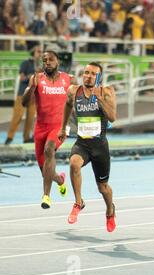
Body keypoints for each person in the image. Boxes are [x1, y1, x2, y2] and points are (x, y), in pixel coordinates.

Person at [58, 62, 117, 232]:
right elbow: (68, 105)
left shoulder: (107, 92)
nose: (88, 76)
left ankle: (110, 210)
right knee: (74, 164)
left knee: (103, 188)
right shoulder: (73, 91)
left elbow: (112, 117)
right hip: (82, 143)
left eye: (93, 74)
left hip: (100, 147)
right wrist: (63, 128)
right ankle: (78, 202)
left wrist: (99, 100)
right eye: (86, 72)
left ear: (99, 77)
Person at [22, 50, 76, 209]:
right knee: (45, 170)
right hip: (41, 127)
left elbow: (79, 100)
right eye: (44, 60)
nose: (47, 63)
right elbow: (24, 103)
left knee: (49, 149)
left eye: (50, 60)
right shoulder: (37, 79)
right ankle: (60, 180)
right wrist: (32, 87)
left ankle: (46, 196)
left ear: (57, 61)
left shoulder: (69, 79)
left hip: (60, 127)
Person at [4, 46, 42, 145]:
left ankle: (26, 137)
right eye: (38, 51)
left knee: (30, 118)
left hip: (33, 95)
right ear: (33, 52)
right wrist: (30, 77)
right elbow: (21, 78)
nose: (40, 53)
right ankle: (9, 137)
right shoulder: (26, 63)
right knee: (17, 116)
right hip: (22, 94)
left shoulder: (40, 66)